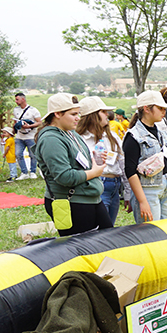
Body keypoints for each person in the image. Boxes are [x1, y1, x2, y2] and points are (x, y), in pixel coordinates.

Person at [33, 93, 111, 237]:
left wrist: (93, 159)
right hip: (73, 203)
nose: (78, 118)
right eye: (73, 114)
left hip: (89, 199)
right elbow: (65, 176)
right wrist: (94, 172)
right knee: (84, 250)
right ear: (57, 114)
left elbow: (78, 162)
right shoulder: (51, 139)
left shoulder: (70, 133)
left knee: (106, 242)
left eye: (79, 113)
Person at [124, 90, 167, 223]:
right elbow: (130, 171)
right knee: (150, 233)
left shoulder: (163, 133)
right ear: (147, 109)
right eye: (160, 108)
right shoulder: (133, 136)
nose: (164, 112)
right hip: (148, 190)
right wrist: (142, 201)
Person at [77, 96, 124, 224]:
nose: (107, 115)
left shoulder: (112, 136)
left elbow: (122, 162)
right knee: (101, 228)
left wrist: (128, 193)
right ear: (92, 116)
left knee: (110, 227)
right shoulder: (80, 139)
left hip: (115, 184)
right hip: (96, 183)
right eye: (103, 112)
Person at [12, 92, 41, 180]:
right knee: (18, 154)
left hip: (30, 136)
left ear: (23, 99)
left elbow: (39, 122)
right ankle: (24, 172)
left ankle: (33, 172)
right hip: (19, 136)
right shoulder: (16, 110)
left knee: (32, 155)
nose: (16, 101)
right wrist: (14, 129)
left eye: (17, 99)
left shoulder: (33, 110)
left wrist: (29, 126)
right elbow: (15, 122)